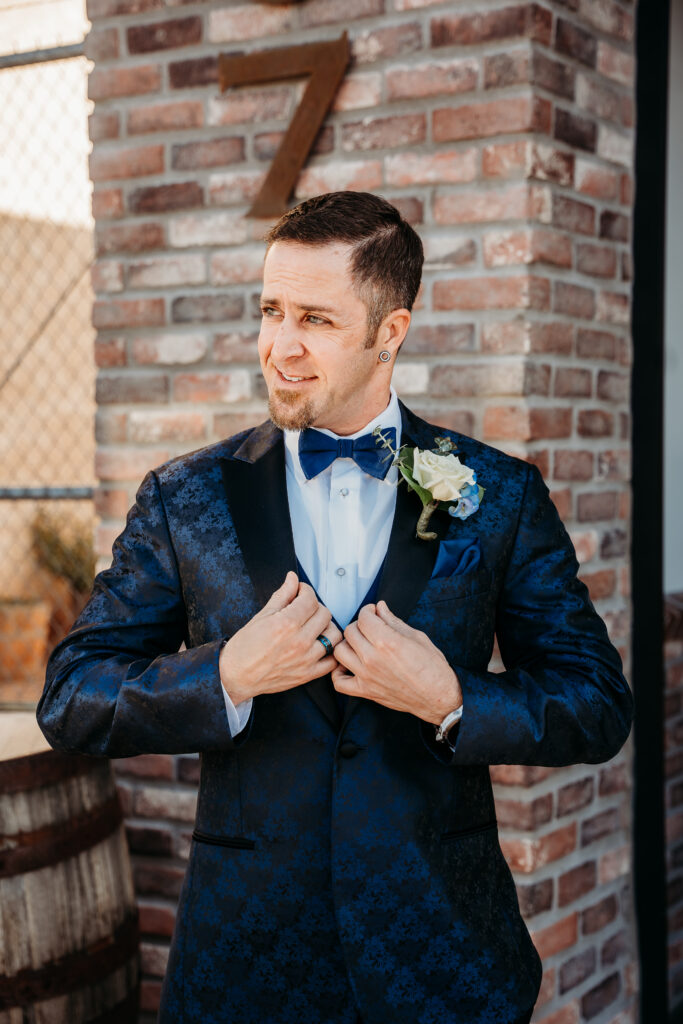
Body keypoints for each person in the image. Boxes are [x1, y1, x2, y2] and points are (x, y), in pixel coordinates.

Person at [37, 191, 633, 1024]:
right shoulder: (185, 498)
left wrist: (453, 698)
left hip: (445, 964)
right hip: (244, 970)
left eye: (314, 318)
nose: (279, 346)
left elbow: (598, 705)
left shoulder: (498, 494)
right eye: (270, 310)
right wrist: (225, 678)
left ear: (390, 332)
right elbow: (69, 696)